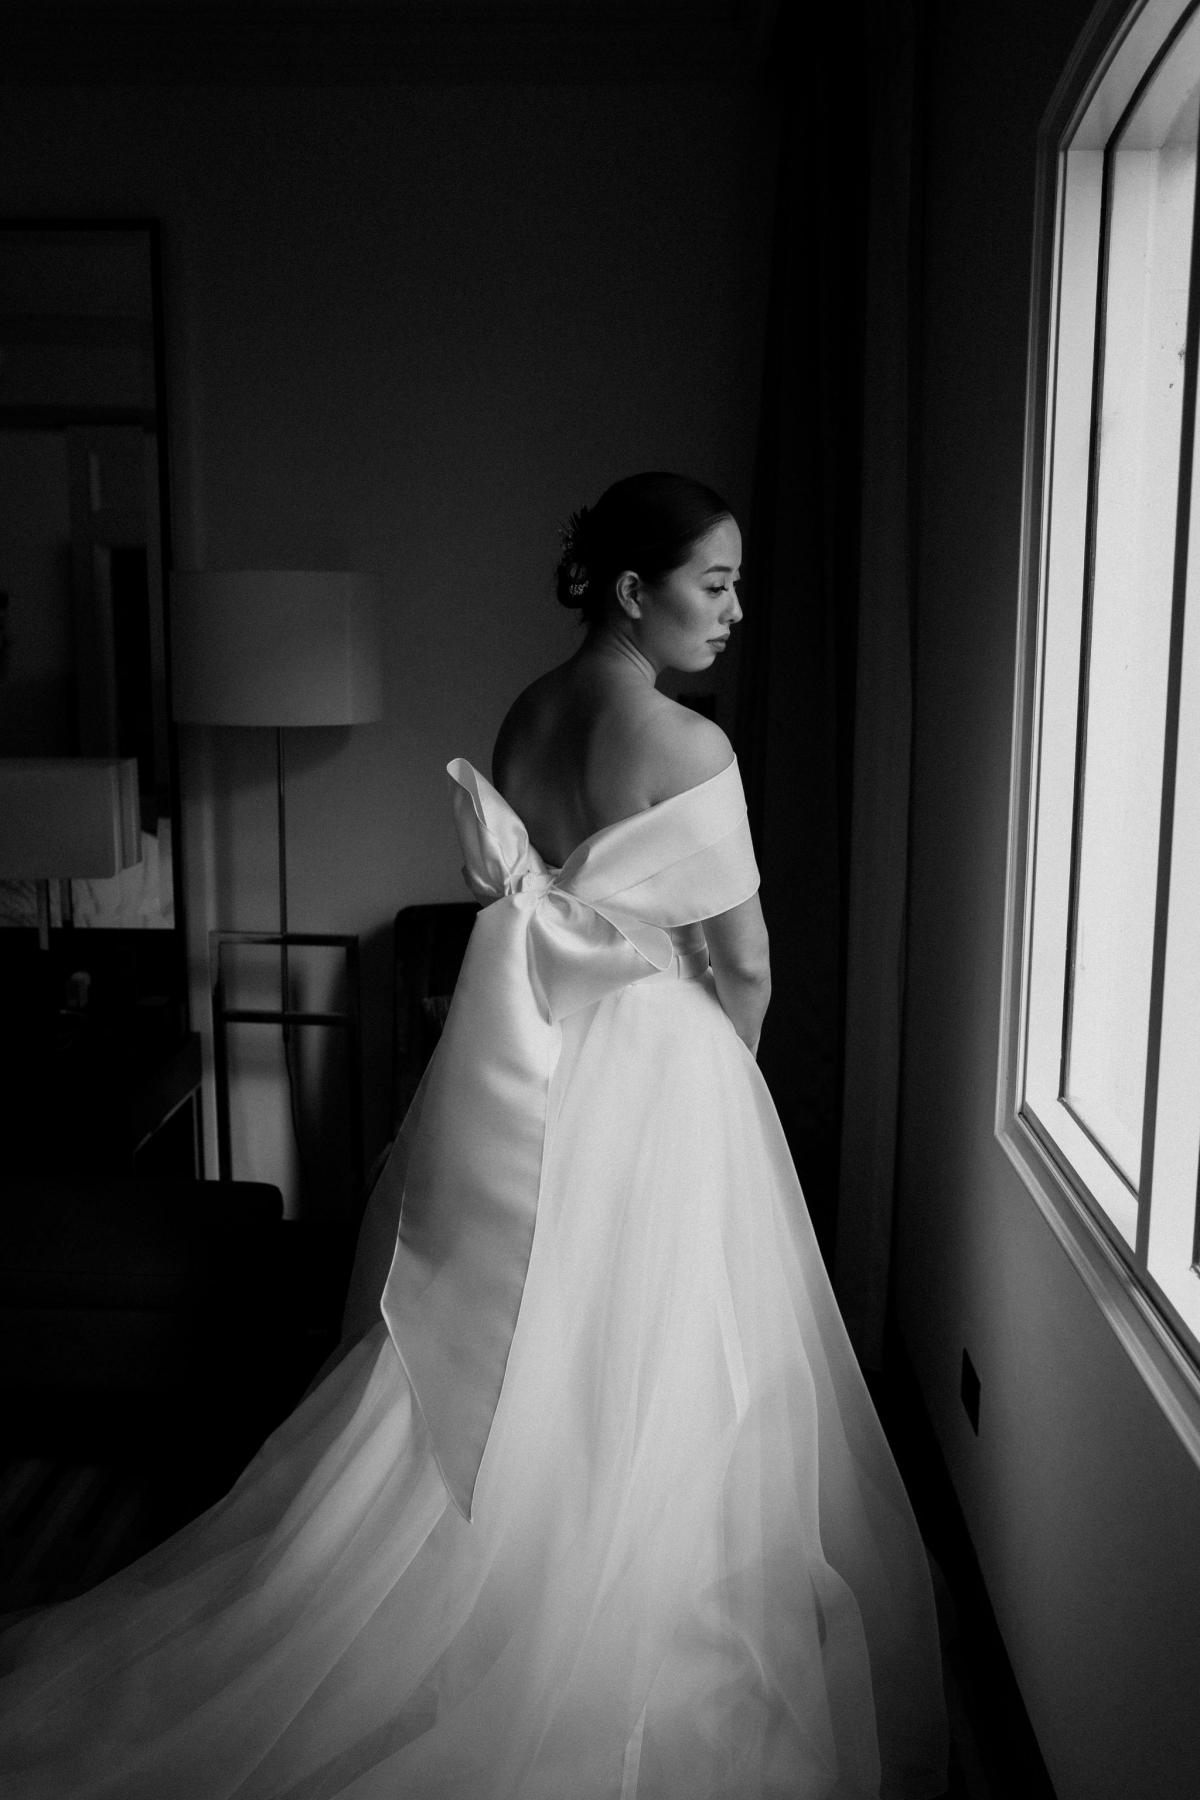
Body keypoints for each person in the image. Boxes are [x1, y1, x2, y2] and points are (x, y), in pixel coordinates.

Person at [0, 472, 947, 1798]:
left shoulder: (528, 712)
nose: (736, 612)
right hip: (655, 1056)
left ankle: (480, 1560)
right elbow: (746, 963)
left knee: (502, 1328)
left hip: (527, 1059)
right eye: (716, 584)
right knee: (655, 1354)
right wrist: (715, 1094)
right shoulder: (692, 749)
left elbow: (532, 894)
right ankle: (605, 1595)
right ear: (635, 590)